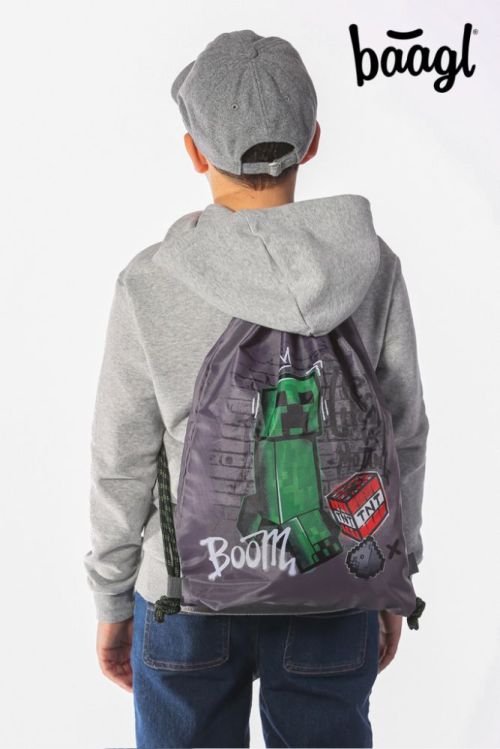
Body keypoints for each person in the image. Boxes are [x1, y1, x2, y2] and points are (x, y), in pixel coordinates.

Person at [83, 29, 429, 749]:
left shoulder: (151, 281)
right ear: (312, 141)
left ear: (194, 152)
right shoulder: (373, 267)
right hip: (335, 582)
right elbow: (403, 434)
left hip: (185, 595)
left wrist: (112, 595)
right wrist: (392, 573)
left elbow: (120, 458)